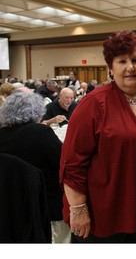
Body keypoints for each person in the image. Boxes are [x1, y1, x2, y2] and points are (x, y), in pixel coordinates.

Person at [59, 30, 136, 243]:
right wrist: (78, 210)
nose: (130, 67)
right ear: (111, 67)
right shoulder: (94, 104)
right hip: (106, 213)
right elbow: (72, 163)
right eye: (122, 61)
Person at [0, 91, 71, 243]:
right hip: (47, 204)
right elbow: (63, 163)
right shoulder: (41, 133)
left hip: (11, 205)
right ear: (37, 111)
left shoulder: (2, 135)